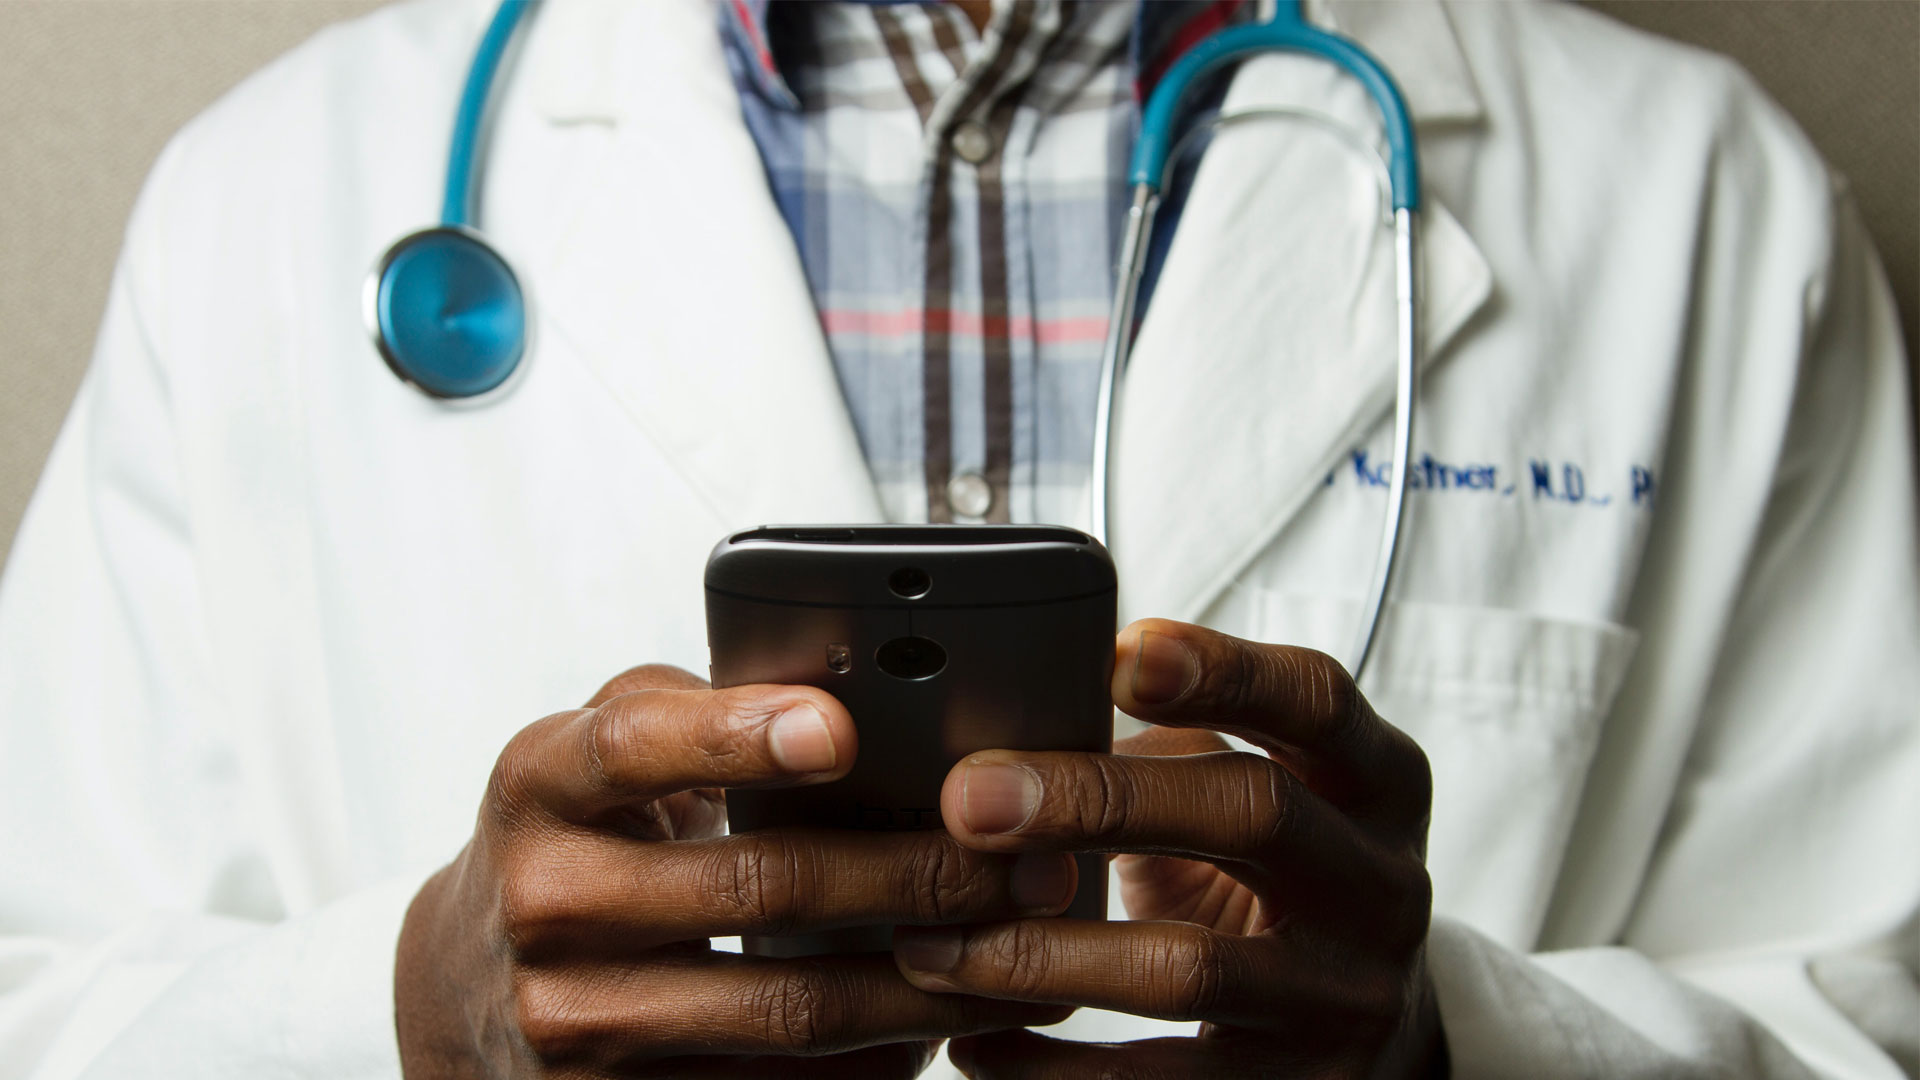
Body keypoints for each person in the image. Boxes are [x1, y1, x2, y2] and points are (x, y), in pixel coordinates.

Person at [0, 0, 1914, 1077]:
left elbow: (1867, 1024)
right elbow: (40, 1010)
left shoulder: (1705, 208)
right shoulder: (260, 207)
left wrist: (1448, 1053)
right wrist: (412, 1020)